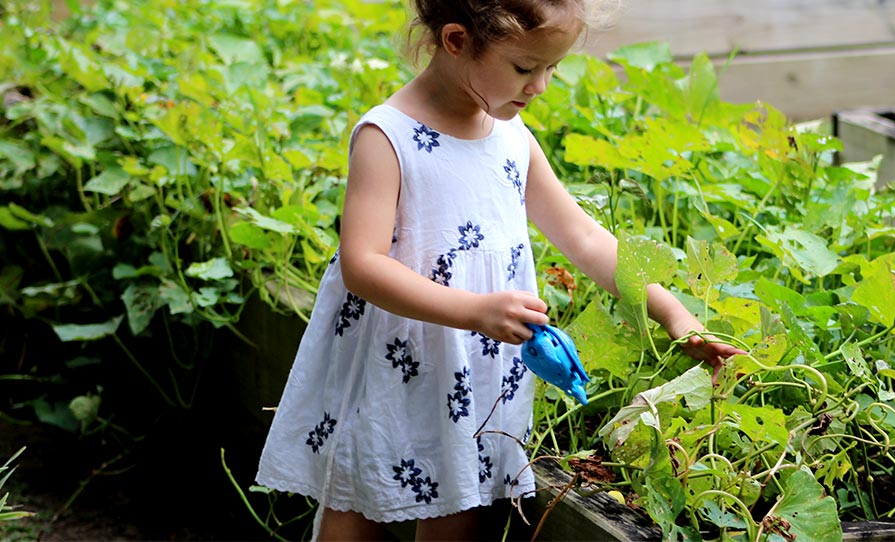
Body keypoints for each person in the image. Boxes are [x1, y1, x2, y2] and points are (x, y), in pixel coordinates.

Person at [255, 0, 745, 540]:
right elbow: (362, 265)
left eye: (551, 68)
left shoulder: (512, 139)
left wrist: (673, 313)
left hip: (473, 372)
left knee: (456, 511)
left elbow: (583, 238)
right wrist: (474, 310)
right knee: (357, 505)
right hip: (394, 366)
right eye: (524, 67)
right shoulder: (387, 137)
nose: (540, 86)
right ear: (457, 41)